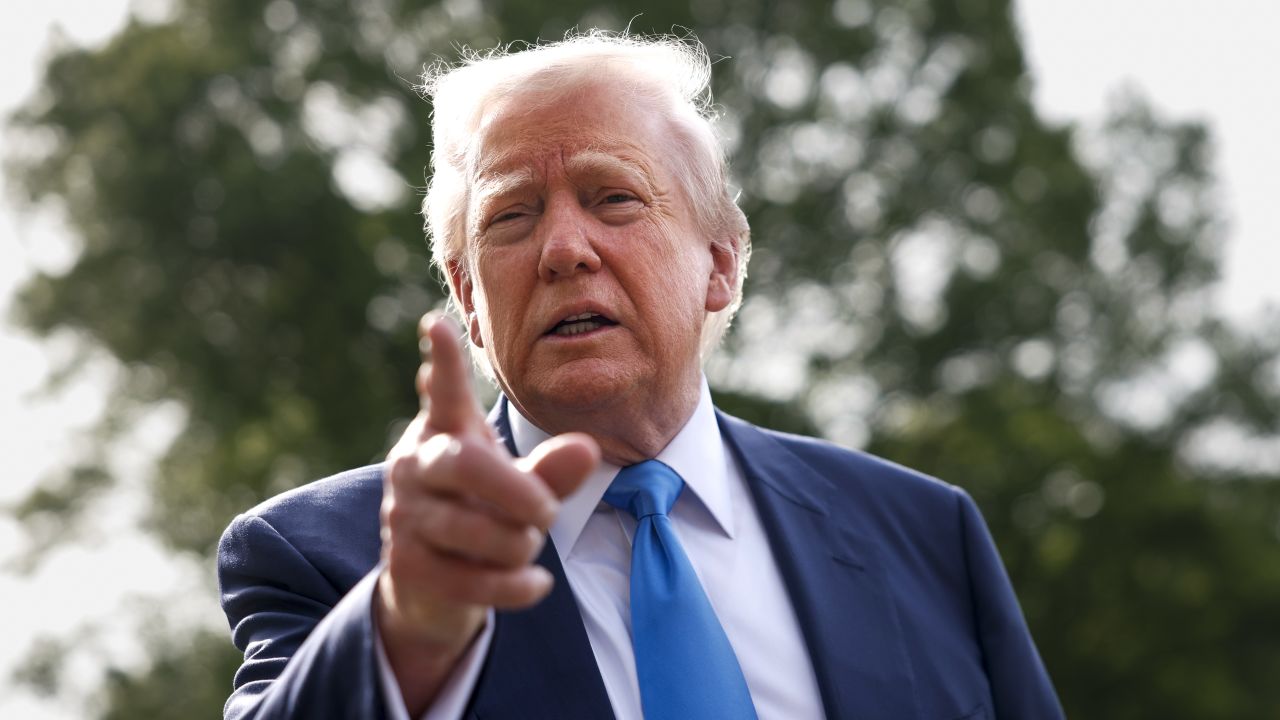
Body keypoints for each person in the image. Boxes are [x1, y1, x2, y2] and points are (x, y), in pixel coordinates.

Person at [217, 32, 1064, 720]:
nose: (562, 250)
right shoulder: (323, 558)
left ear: (721, 265)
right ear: (469, 298)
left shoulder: (922, 533)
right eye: (512, 215)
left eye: (613, 198)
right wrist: (407, 627)